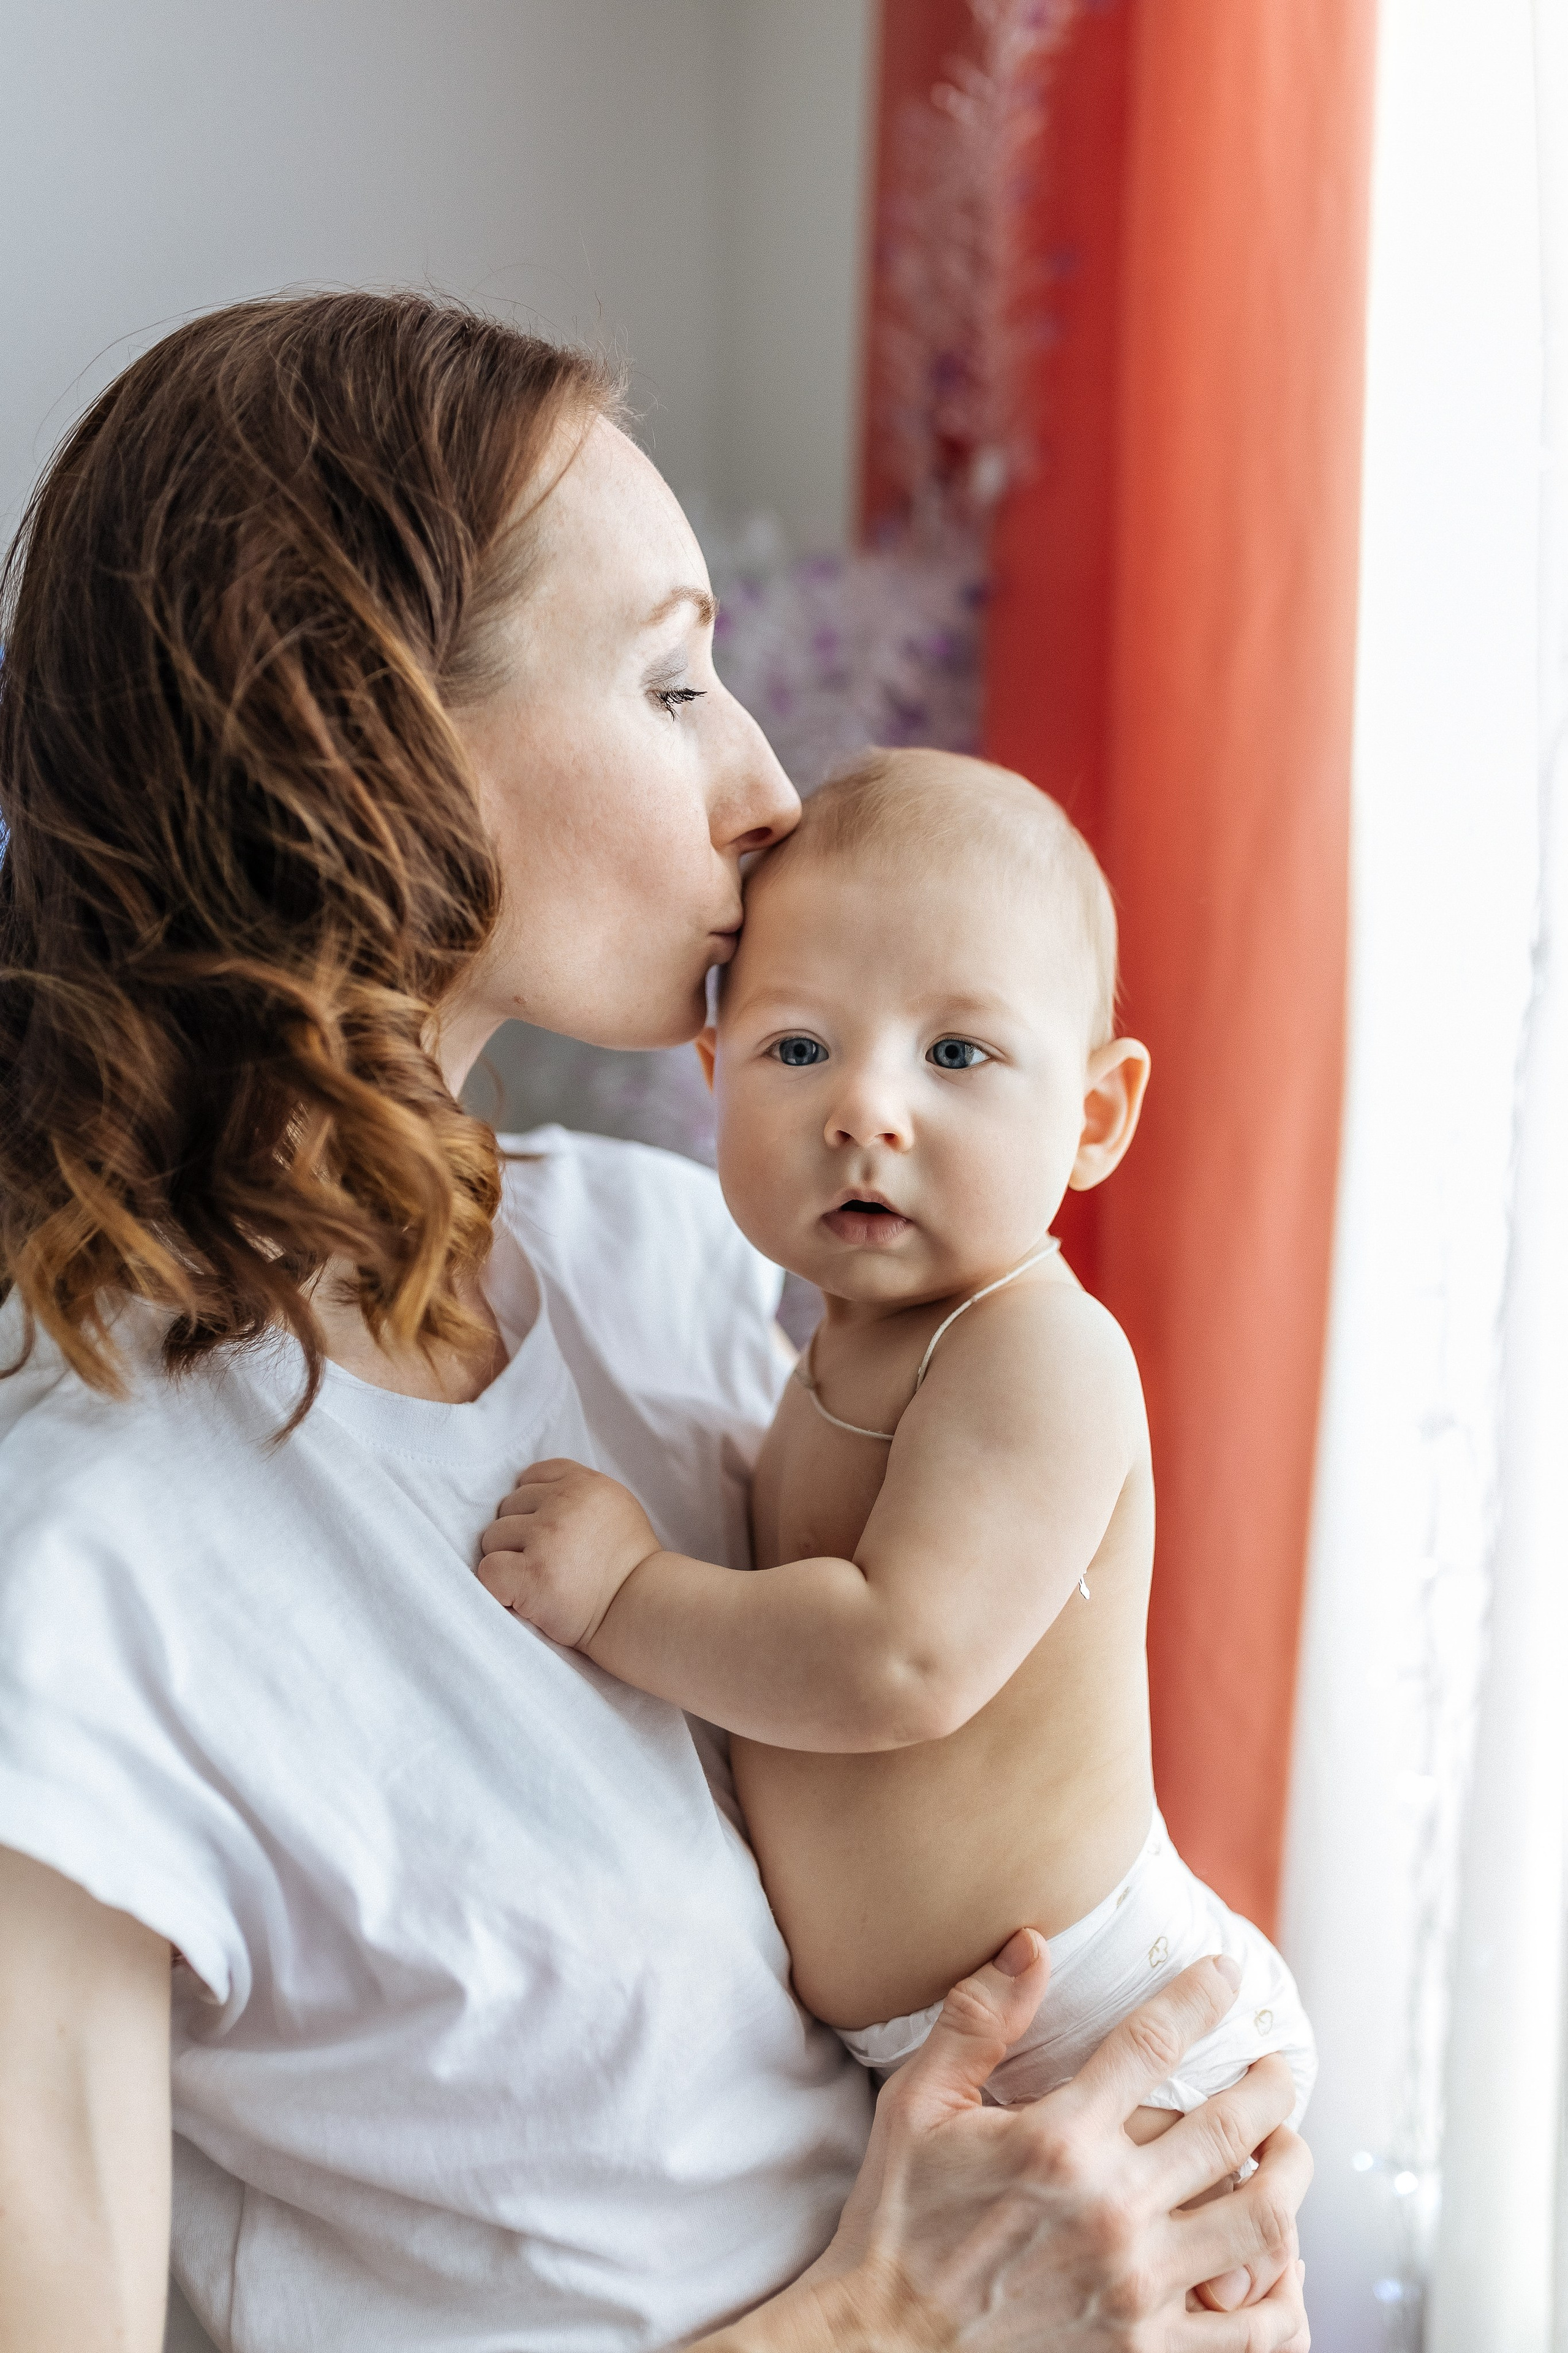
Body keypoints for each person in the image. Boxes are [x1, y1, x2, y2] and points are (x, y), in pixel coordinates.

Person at [0, 292, 1311, 2352]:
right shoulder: (81, 1587)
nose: (775, 789)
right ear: (364, 735)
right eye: (675, 678)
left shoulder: (670, 1267)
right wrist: (887, 2320)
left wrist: (1151, 2167)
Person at [477, 749, 1315, 2201]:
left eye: (955, 1054)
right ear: (710, 1075)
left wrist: (626, 1593)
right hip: (947, 2051)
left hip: (1102, 2029)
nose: (865, 1108)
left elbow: (898, 1658)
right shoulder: (842, 1343)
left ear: (1097, 1115)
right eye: (796, 1049)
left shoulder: (1035, 1353)